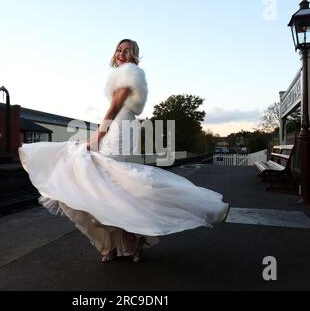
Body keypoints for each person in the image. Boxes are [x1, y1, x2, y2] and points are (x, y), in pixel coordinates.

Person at [18, 39, 229, 263]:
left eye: (126, 50)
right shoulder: (132, 73)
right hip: (123, 128)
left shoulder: (130, 72)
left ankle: (121, 241)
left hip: (117, 131)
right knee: (114, 187)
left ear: (134, 54)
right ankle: (125, 244)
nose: (121, 53)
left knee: (106, 184)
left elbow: (115, 106)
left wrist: (97, 135)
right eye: (119, 49)